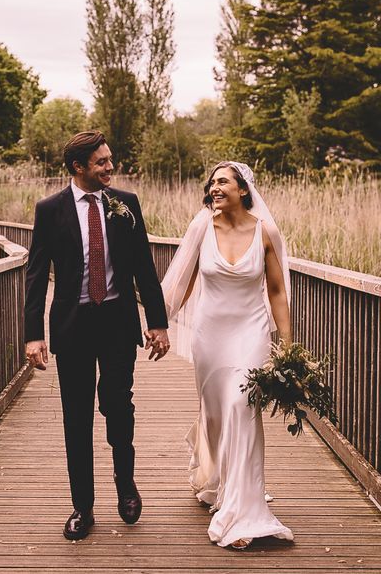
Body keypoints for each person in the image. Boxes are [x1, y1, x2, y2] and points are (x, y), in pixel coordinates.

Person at [24, 130, 170, 541]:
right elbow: (36, 275)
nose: (110, 167)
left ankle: (125, 484)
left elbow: (144, 265)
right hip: (72, 326)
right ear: (79, 167)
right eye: (101, 162)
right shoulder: (50, 210)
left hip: (118, 323)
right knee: (76, 416)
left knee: (118, 407)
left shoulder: (127, 204)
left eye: (110, 159)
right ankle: (82, 508)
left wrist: (157, 322)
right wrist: (33, 334)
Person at [161, 161, 295, 549]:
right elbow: (182, 282)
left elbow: (276, 292)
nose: (215, 187)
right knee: (217, 414)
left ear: (243, 190)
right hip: (210, 335)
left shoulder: (265, 231)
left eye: (223, 182)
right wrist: (157, 325)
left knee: (241, 406)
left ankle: (242, 511)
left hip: (250, 332)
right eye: (213, 182)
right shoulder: (201, 226)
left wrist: (285, 347)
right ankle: (217, 479)